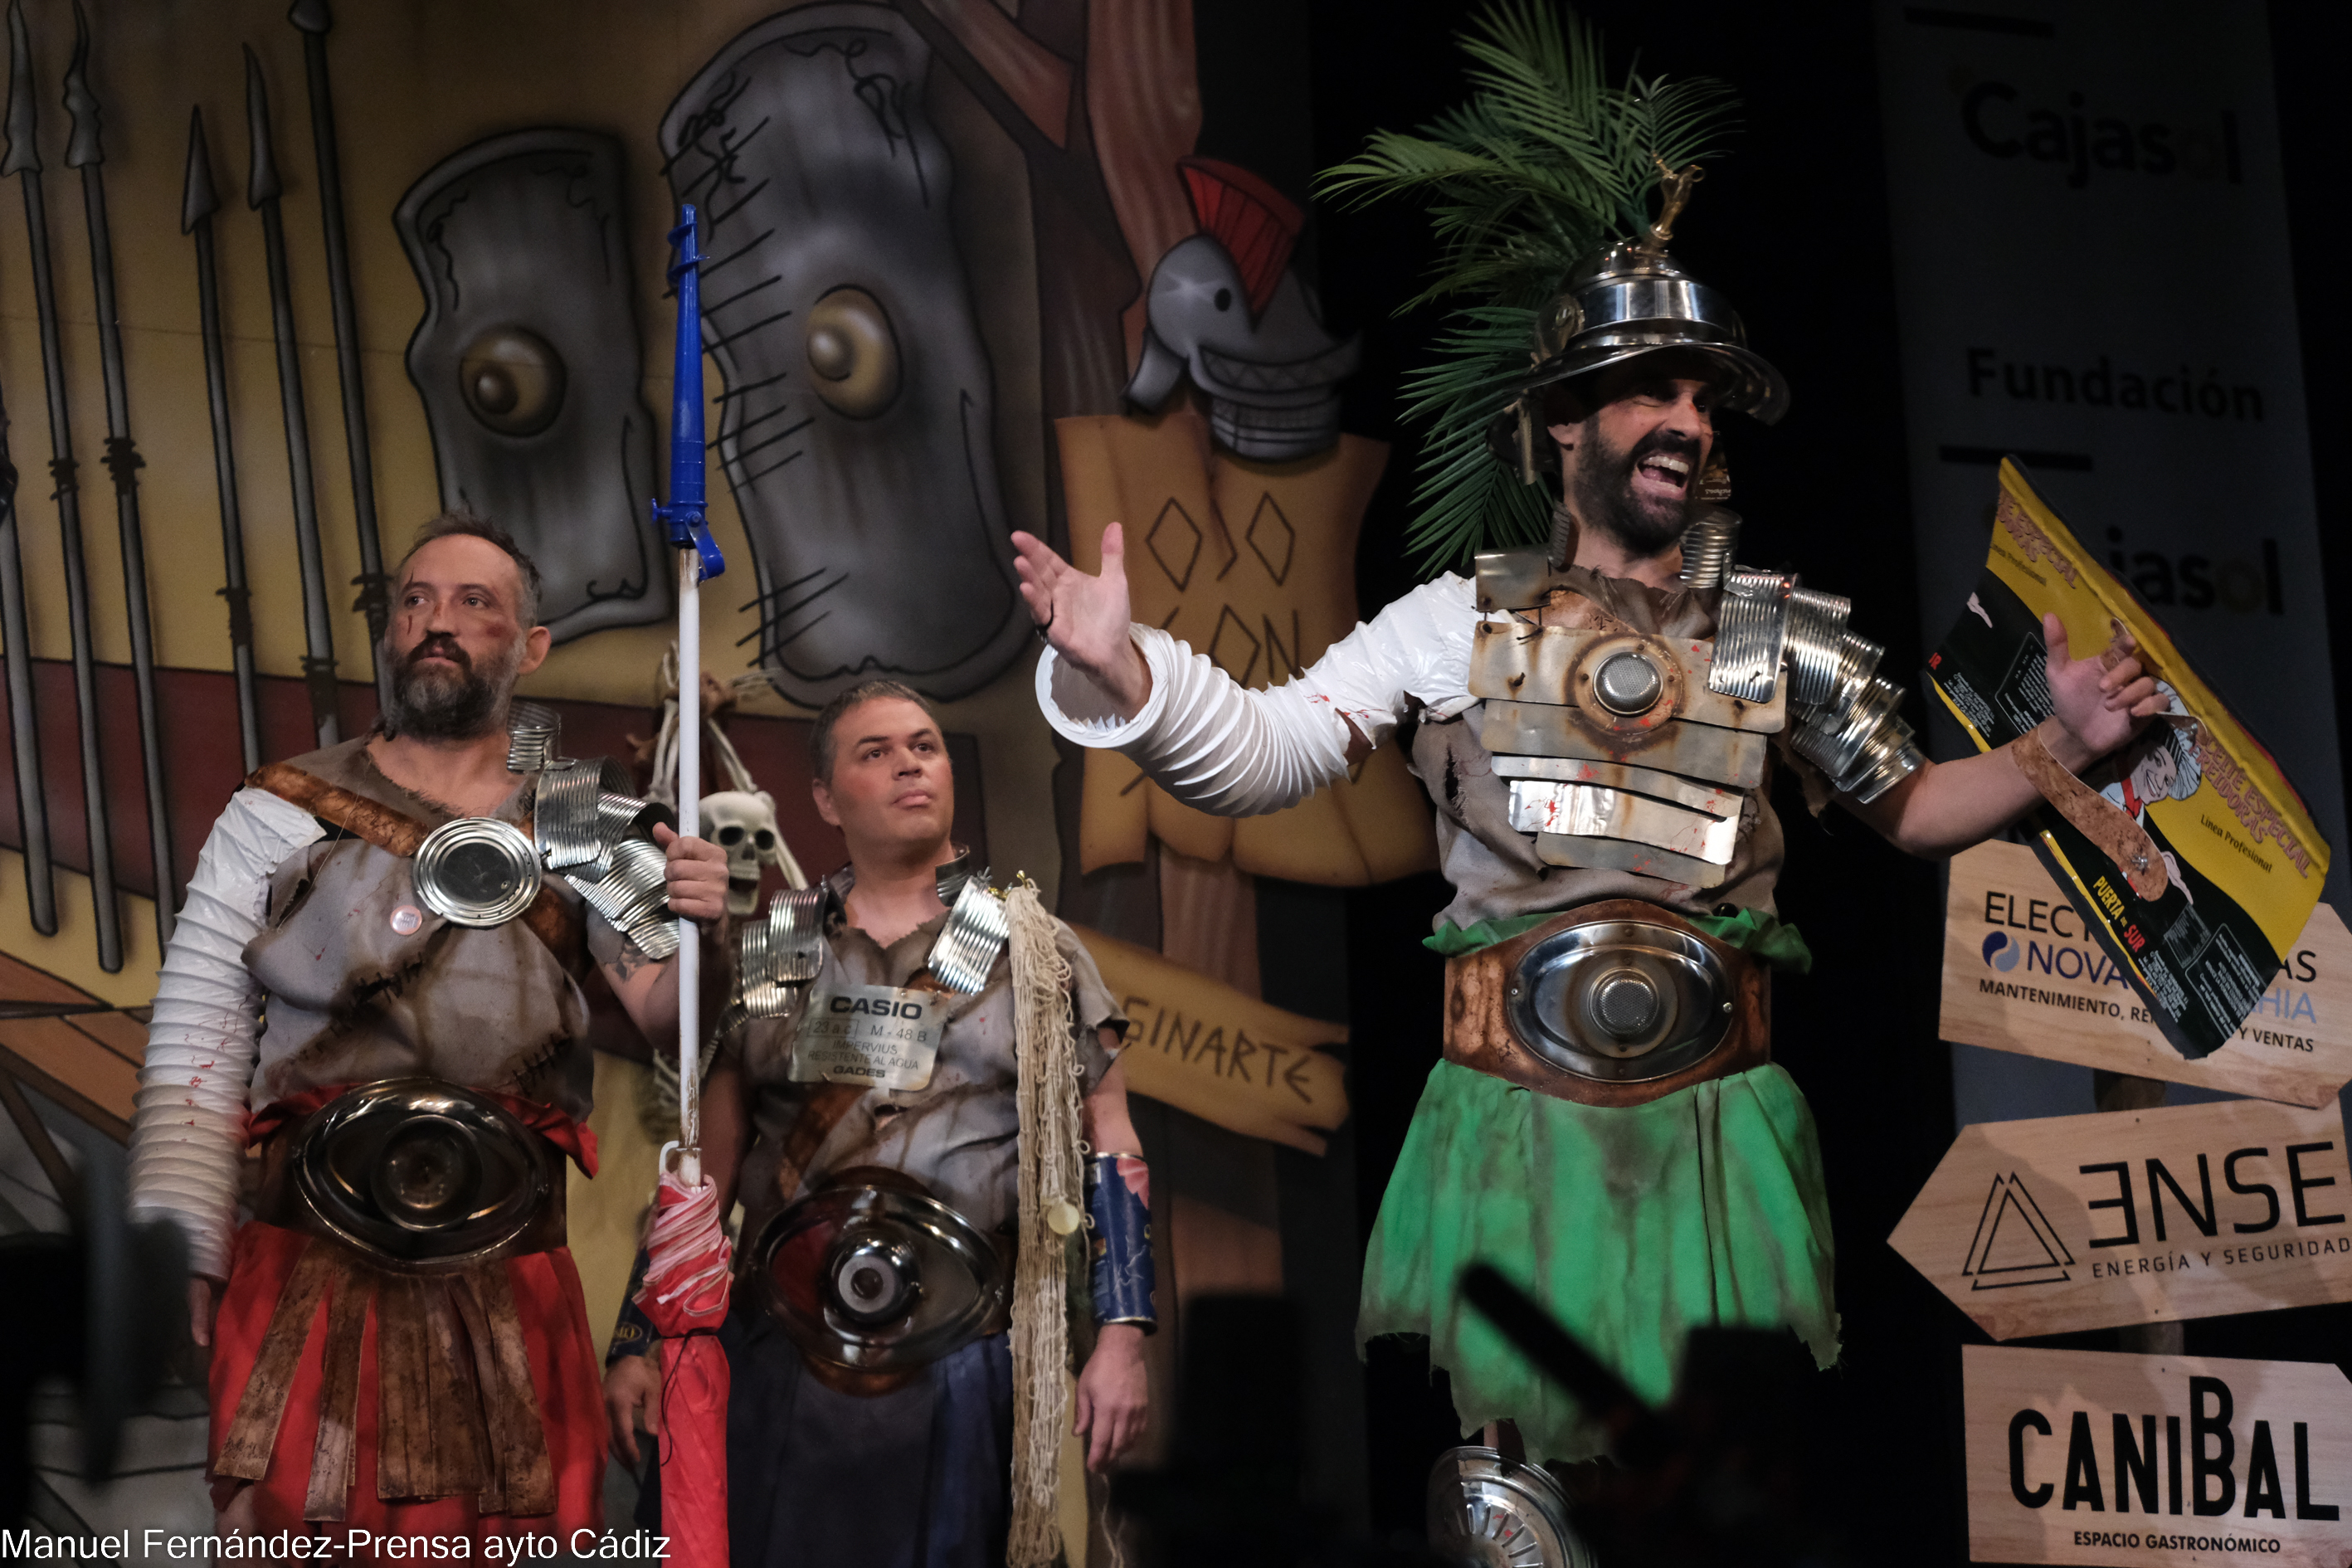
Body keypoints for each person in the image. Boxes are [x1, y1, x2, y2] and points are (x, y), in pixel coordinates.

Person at [1006, 20, 2167, 1477]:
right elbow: (1271, 754)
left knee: (1713, 1508)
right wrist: (1130, 670)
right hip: (1516, 1124)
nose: (1685, 421)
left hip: (1711, 1128)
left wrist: (2061, 743)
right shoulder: (1455, 622)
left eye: (1699, 396)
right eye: (1650, 391)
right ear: (1563, 429)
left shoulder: (1771, 632)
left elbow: (1917, 809)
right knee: (1518, 1507)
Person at [127, 513, 729, 1538]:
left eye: (473, 604)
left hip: (497, 1266)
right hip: (303, 1250)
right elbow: (199, 1033)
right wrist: (182, 1242)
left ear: (530, 649)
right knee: (277, 1541)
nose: (436, 623)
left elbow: (671, 1015)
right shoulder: (278, 808)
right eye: (416, 601)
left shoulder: (590, 818)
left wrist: (709, 924)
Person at [603, 679, 1152, 1567]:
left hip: (963, 1359)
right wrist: (642, 1337)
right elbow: (704, 1168)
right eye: (877, 751)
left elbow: (1111, 1141)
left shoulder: (1034, 950)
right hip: (784, 1353)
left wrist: (1122, 1337)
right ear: (824, 798)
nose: (910, 762)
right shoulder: (775, 943)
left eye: (925, 745)